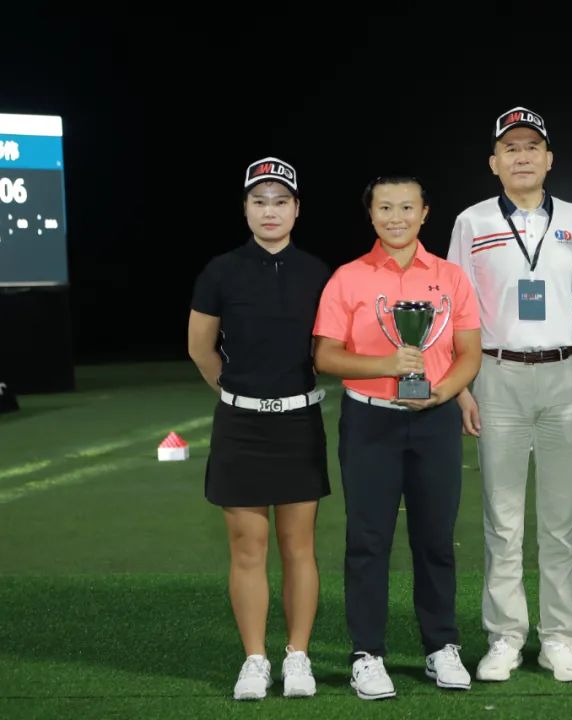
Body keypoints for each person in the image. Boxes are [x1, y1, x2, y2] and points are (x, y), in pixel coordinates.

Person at [446, 106, 572, 682]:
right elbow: (458, 310)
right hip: (497, 376)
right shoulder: (471, 221)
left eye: (532, 146)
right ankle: (506, 637)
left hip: (565, 375)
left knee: (561, 521)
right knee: (503, 519)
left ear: (549, 158)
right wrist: (463, 388)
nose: (522, 156)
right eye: (510, 148)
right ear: (494, 162)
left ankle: (559, 638)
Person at [313, 176, 482, 700]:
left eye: (407, 207)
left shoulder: (451, 277)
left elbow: (469, 352)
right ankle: (367, 653)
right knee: (368, 540)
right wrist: (386, 365)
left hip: (434, 421)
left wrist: (442, 393)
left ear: (424, 212)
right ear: (371, 215)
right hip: (370, 421)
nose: (396, 217)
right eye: (385, 208)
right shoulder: (347, 278)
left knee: (435, 538)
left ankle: (441, 645)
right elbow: (325, 355)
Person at [188, 157, 329, 700]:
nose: (270, 211)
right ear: (245, 208)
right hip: (241, 425)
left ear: (297, 209)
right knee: (248, 547)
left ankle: (297, 656)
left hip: (299, 422)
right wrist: (239, 395)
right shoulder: (220, 271)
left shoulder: (318, 272)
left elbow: (327, 347)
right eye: (259, 201)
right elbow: (201, 349)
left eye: (280, 201)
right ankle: (255, 659)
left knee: (299, 546)